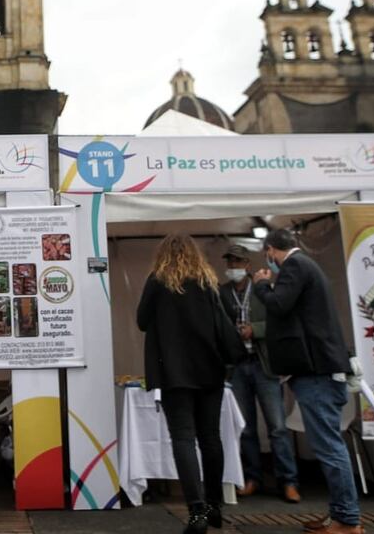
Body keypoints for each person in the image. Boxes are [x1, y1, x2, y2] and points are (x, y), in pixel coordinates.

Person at [253, 229, 361, 534]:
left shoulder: (296, 266)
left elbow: (278, 304)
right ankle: (339, 514)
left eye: (268, 257)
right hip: (318, 371)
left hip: (317, 374)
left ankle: (347, 520)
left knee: (329, 447)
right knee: (328, 446)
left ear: (271, 250)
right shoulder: (305, 268)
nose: (269, 263)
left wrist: (262, 284)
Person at [138, 235, 236, 534]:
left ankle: (196, 513)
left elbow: (142, 320)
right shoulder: (208, 281)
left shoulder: (157, 281)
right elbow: (226, 320)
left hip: (174, 372)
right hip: (210, 370)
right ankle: (214, 505)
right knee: (210, 438)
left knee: (183, 439)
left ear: (163, 255)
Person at [219, 244, 300, 503]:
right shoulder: (222, 292)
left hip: (264, 364)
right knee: (246, 428)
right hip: (237, 366)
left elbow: (281, 319)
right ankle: (252, 478)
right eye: (230, 263)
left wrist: (256, 329)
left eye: (238, 263)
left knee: (277, 427)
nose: (233, 267)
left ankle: (288, 481)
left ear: (247, 264)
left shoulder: (263, 288)